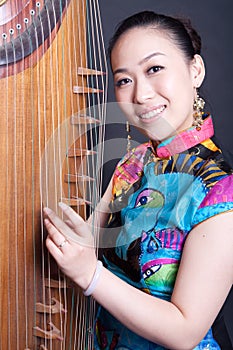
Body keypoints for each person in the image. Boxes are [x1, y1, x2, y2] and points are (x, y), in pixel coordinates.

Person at [43, 11, 233, 349]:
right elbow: (86, 242)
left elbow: (185, 332)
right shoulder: (135, 161)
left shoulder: (220, 190)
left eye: (154, 69)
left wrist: (91, 276)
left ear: (196, 70)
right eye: (124, 80)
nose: (141, 95)